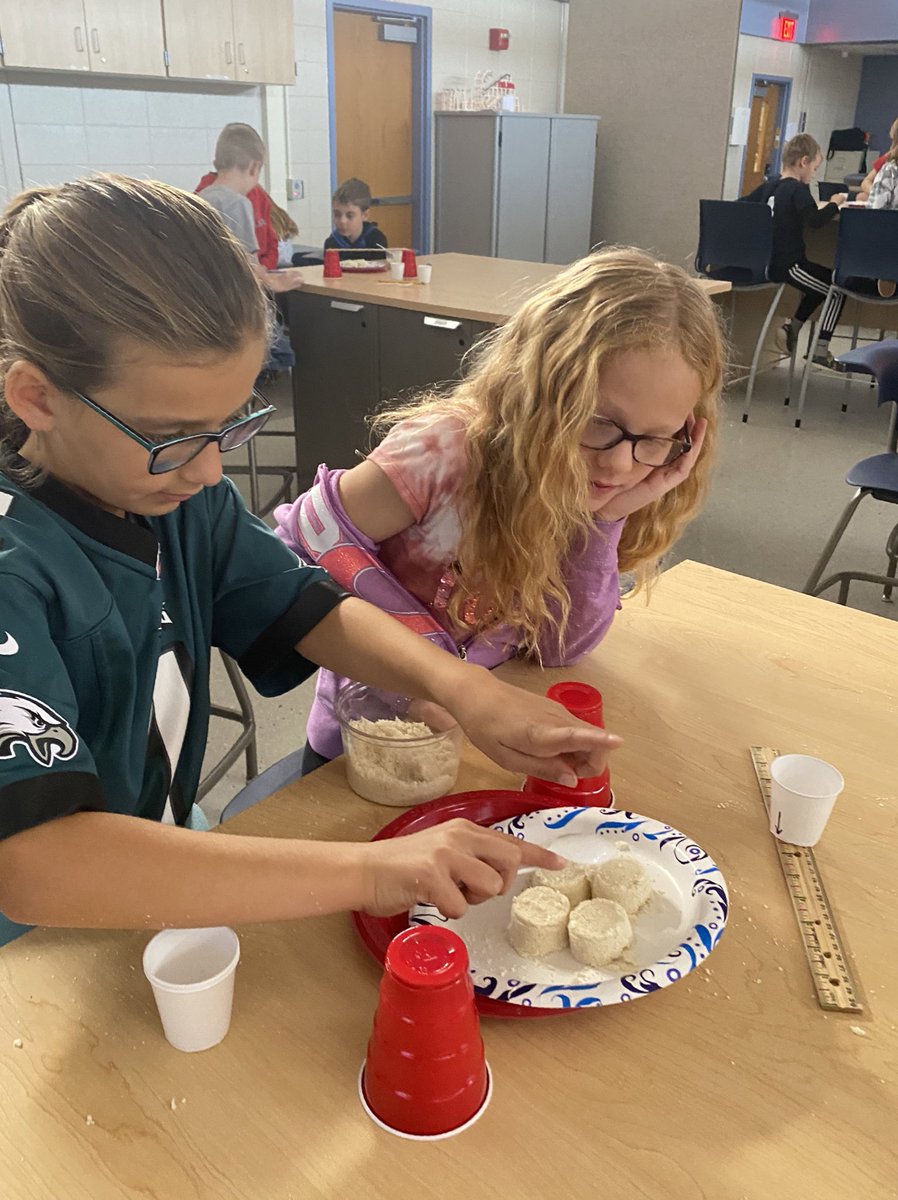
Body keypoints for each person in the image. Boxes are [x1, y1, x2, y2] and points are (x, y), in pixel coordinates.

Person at [0, 176, 620, 947]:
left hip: (151, 858)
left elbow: (300, 605)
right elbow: (34, 860)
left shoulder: (169, 493)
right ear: (36, 397)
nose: (208, 474)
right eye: (173, 436)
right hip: (34, 939)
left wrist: (461, 688)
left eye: (229, 426)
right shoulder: (17, 565)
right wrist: (372, 870)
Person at [275, 247, 724, 772]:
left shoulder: (592, 484)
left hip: (484, 739)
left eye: (656, 438)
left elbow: (561, 648)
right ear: (538, 392)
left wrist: (602, 523)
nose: (621, 464)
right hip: (368, 742)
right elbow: (303, 539)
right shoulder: (445, 450)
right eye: (598, 421)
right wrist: (431, 674)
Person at [740, 133, 849, 371]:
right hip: (790, 266)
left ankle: (794, 327)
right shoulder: (797, 190)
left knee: (821, 285)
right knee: (837, 289)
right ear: (803, 162)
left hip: (768, 262)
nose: (813, 175)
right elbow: (816, 221)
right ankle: (819, 349)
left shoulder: (770, 185)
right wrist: (835, 202)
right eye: (814, 168)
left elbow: (741, 205)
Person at [196, 123, 304, 296]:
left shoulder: (199, 199)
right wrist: (275, 282)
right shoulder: (238, 204)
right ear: (254, 167)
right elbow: (246, 267)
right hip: (235, 306)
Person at [324, 178, 388, 254]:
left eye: (350, 216)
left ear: (365, 215)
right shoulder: (331, 244)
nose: (342, 221)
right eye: (337, 214)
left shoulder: (377, 241)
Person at [856, 118, 898, 202]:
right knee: (861, 197)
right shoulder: (889, 158)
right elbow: (866, 182)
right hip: (887, 202)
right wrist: (878, 193)